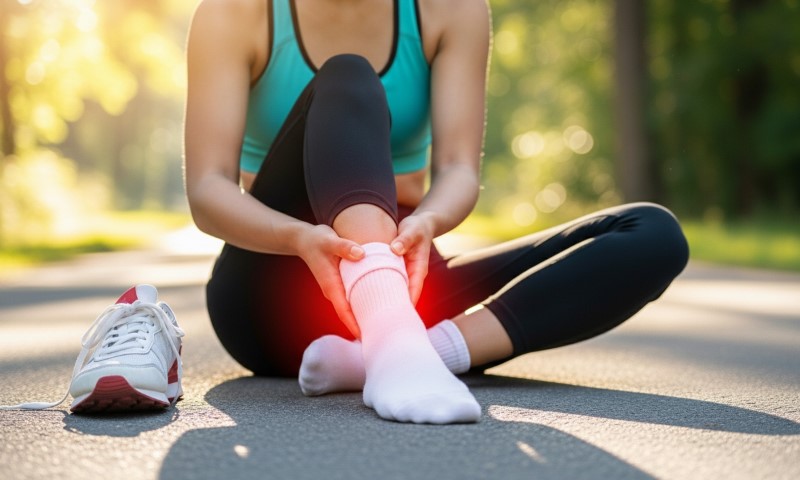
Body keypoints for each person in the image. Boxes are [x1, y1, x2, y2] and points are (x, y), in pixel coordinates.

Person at [2, 0, 689, 422]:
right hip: (273, 293)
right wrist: (305, 239)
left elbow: (457, 173)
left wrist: (425, 225)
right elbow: (208, 192)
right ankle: (394, 338)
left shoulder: (452, 8)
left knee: (652, 234)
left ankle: (409, 353)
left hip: (406, 276)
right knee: (347, 74)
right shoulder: (234, 10)